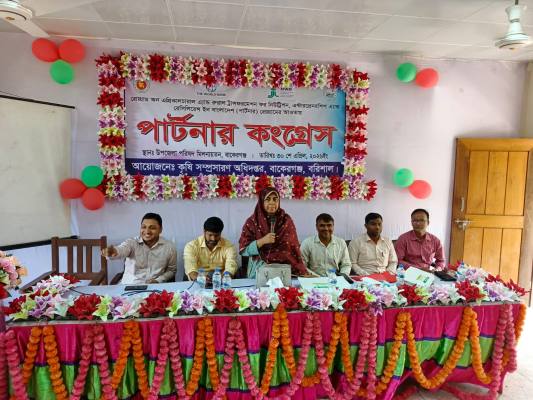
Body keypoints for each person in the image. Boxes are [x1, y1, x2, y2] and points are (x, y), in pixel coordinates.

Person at [239, 187, 307, 278]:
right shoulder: (252, 222)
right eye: (268, 199)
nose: (272, 202)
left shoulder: (286, 220)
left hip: (284, 269)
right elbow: (244, 250)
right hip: (260, 269)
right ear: (261, 202)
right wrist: (262, 241)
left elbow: (293, 247)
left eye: (275, 199)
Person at [101, 213, 177, 284]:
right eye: (144, 227)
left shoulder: (169, 247)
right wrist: (114, 252)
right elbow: (122, 250)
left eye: (152, 228)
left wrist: (158, 280)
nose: (147, 231)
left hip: (155, 287)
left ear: (160, 230)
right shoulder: (132, 243)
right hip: (130, 286)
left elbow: (171, 270)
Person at [183, 216, 238, 281]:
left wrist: (225, 277)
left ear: (220, 233)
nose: (213, 239)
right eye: (210, 235)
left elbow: (231, 266)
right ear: (204, 232)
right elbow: (190, 268)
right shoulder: (191, 246)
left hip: (221, 281)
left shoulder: (229, 246)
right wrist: (199, 278)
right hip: (198, 281)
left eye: (216, 235)